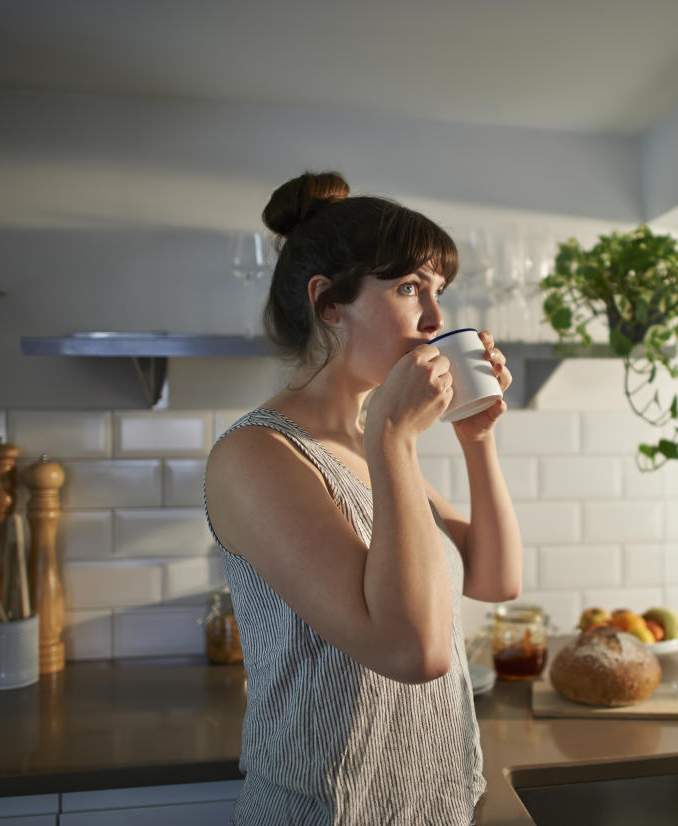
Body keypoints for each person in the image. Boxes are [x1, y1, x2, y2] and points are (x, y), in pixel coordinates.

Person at [203, 171, 523, 825]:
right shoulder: (258, 455)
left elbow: (494, 579)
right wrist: (394, 440)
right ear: (328, 303)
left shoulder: (368, 441)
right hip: (326, 811)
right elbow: (414, 653)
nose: (437, 319)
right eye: (409, 288)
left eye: (438, 291)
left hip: (426, 804)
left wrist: (475, 438)